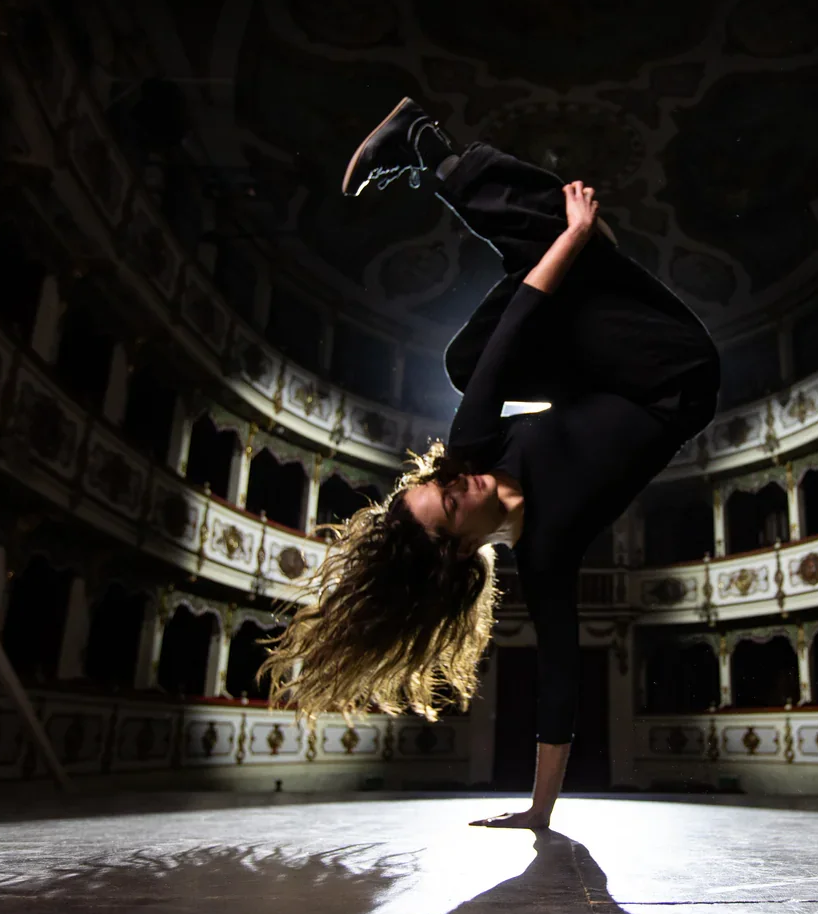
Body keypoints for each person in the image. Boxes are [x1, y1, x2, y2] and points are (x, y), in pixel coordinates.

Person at [262, 98, 719, 828]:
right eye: (447, 502)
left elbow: (516, 327)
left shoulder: (474, 443)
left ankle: (430, 150)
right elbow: (560, 683)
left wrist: (568, 239)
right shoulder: (546, 553)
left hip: (608, 356)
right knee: (557, 263)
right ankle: (535, 220)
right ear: (458, 551)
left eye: (436, 483)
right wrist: (538, 812)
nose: (453, 480)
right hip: (676, 374)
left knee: (466, 358)